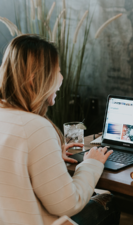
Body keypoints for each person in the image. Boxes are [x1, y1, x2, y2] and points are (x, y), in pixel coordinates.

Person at [0, 35, 120, 225]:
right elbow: (67, 204)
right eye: (57, 71)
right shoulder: (35, 127)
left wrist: (51, 155)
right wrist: (91, 164)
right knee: (108, 200)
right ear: (34, 79)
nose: (62, 78)